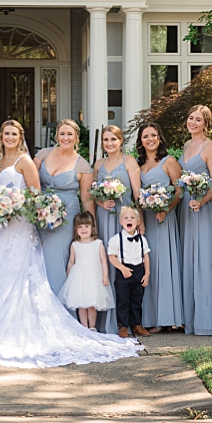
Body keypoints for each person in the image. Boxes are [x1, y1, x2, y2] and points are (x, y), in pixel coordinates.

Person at [0, 120, 142, 367]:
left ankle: (64, 317)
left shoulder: (33, 160)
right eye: (6, 133)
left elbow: (41, 193)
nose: (9, 137)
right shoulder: (6, 160)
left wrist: (92, 229)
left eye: (14, 134)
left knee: (38, 268)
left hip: (32, 220)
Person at [93, 125, 143, 335]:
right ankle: (109, 320)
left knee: (127, 265)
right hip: (105, 218)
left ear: (120, 141)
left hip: (125, 218)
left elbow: (137, 194)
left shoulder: (129, 162)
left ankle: (129, 321)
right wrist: (101, 203)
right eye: (106, 140)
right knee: (107, 264)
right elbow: (93, 193)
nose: (109, 143)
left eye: (113, 139)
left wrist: (139, 222)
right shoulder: (98, 164)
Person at [36, 119, 94, 297]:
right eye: (62, 133)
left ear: (76, 137)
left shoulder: (82, 164)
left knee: (54, 260)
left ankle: (59, 310)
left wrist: (92, 227)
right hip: (39, 214)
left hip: (66, 217)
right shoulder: (43, 155)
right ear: (56, 136)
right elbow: (27, 181)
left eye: (70, 134)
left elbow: (86, 198)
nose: (66, 137)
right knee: (35, 260)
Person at [178, 107, 212, 335]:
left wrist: (202, 201)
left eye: (198, 119)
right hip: (187, 208)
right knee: (190, 260)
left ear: (206, 124)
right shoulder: (186, 145)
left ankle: (207, 321)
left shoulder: (210, 147)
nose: (193, 122)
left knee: (203, 261)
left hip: (204, 208)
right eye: (190, 118)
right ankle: (191, 319)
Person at [137, 122, 184, 334]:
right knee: (149, 267)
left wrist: (166, 209)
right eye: (146, 136)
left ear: (159, 138)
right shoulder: (137, 165)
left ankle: (167, 317)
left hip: (164, 220)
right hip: (147, 221)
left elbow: (180, 190)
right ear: (140, 140)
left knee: (164, 265)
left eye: (154, 135)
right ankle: (152, 317)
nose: (150, 139)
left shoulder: (168, 161)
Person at [60, 212, 114, 329]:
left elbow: (104, 261)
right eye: (80, 227)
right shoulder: (75, 245)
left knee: (91, 305)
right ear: (76, 229)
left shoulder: (98, 243)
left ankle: (92, 326)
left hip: (94, 277)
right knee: (81, 304)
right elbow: (71, 261)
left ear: (92, 227)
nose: (83, 229)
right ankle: (84, 327)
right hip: (79, 277)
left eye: (86, 226)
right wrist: (69, 276)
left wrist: (105, 275)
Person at [109, 206, 150, 339]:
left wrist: (147, 273)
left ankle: (136, 325)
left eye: (132, 218)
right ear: (121, 222)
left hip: (139, 271)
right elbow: (111, 257)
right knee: (123, 300)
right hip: (123, 272)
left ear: (138, 222)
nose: (129, 220)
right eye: (126, 218)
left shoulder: (142, 239)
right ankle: (123, 326)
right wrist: (122, 268)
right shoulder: (116, 239)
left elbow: (146, 257)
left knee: (137, 300)